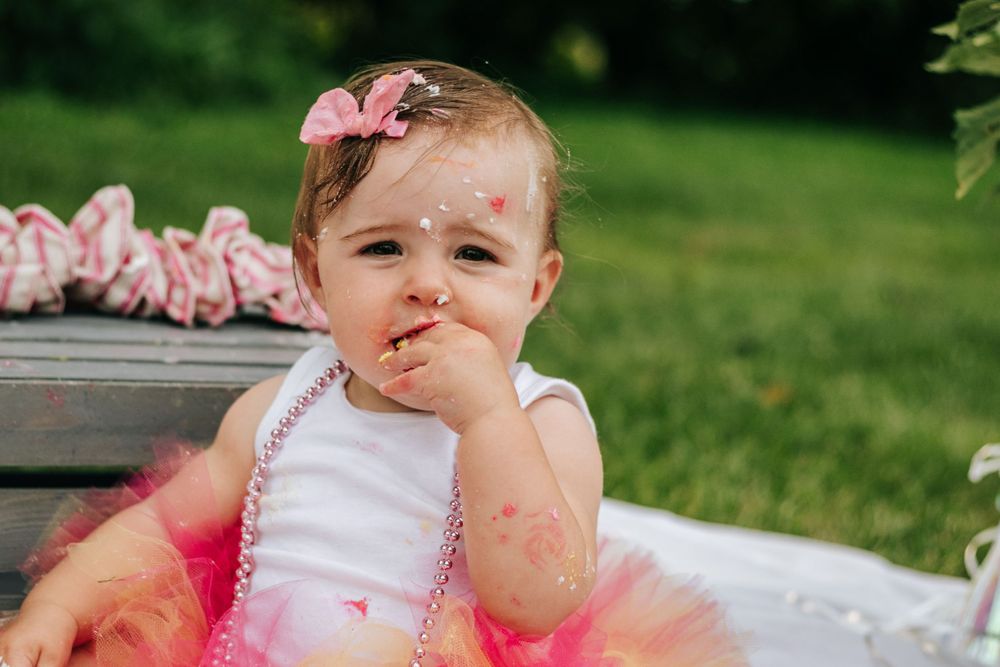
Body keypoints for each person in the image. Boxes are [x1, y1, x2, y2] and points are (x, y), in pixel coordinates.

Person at [0, 60, 747, 666]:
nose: (428, 284)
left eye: (474, 253)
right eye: (384, 247)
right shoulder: (282, 407)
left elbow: (539, 600)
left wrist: (489, 419)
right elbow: (163, 525)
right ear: (317, 274)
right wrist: (58, 605)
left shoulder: (543, 422)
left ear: (535, 287)